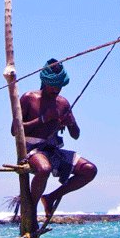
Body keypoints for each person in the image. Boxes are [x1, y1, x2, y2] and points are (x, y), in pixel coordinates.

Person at [17, 59, 97, 224]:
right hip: (32, 148)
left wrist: (71, 123)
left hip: (53, 149)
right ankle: (31, 211)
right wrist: (43, 119)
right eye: (53, 85)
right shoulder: (29, 98)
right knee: (44, 169)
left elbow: (76, 135)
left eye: (59, 86)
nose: (56, 89)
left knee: (89, 170)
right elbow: (15, 130)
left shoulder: (63, 103)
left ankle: (51, 197)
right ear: (44, 82)